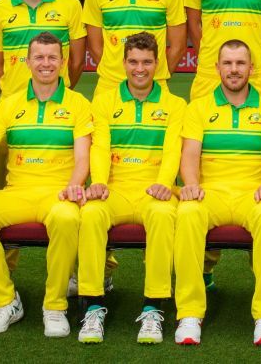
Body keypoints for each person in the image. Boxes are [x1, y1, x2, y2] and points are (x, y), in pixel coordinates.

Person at [0, 32, 92, 337]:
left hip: (57, 192)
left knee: (67, 217)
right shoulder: (9, 104)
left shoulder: (78, 104)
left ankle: (55, 305)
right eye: (39, 57)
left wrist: (74, 185)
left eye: (52, 57)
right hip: (17, 192)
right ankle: (5, 301)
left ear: (62, 62)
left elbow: (83, 156)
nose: (45, 64)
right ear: (27, 62)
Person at [76, 32, 186, 344]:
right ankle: (93, 306)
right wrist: (98, 182)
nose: (140, 68)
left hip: (154, 189)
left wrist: (165, 183)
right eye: (134, 62)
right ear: (124, 63)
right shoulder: (103, 102)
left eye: (147, 62)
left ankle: (154, 307)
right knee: (91, 213)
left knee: (164, 216)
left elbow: (172, 151)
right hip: (116, 188)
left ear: (157, 63)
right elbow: (100, 148)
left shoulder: (175, 105)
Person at [173, 39, 261, 346]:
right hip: (213, 193)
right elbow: (190, 155)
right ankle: (190, 313)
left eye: (240, 64)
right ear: (217, 67)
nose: (234, 70)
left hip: (254, 194)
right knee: (188, 212)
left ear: (252, 68)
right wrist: (192, 184)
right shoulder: (198, 108)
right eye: (228, 63)